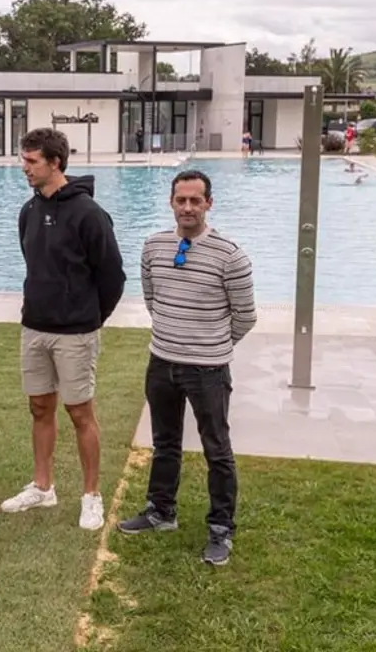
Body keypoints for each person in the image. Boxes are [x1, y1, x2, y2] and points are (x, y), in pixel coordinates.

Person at [118, 169, 258, 567]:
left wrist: (212, 345)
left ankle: (221, 529)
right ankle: (161, 511)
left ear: (209, 203)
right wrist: (173, 335)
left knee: (217, 449)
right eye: (181, 200)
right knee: (165, 443)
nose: (188, 207)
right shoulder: (153, 246)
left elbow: (245, 317)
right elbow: (151, 298)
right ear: (171, 202)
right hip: (161, 361)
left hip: (208, 369)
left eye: (196, 200)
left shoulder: (230, 256)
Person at [1, 127, 125, 531]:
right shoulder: (28, 211)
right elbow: (32, 262)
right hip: (34, 328)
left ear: (55, 163)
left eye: (31, 161)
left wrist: (89, 318)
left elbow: (113, 277)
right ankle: (43, 487)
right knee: (40, 408)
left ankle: (92, 496)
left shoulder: (89, 213)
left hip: (76, 333)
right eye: (24, 160)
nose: (25, 168)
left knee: (79, 413)